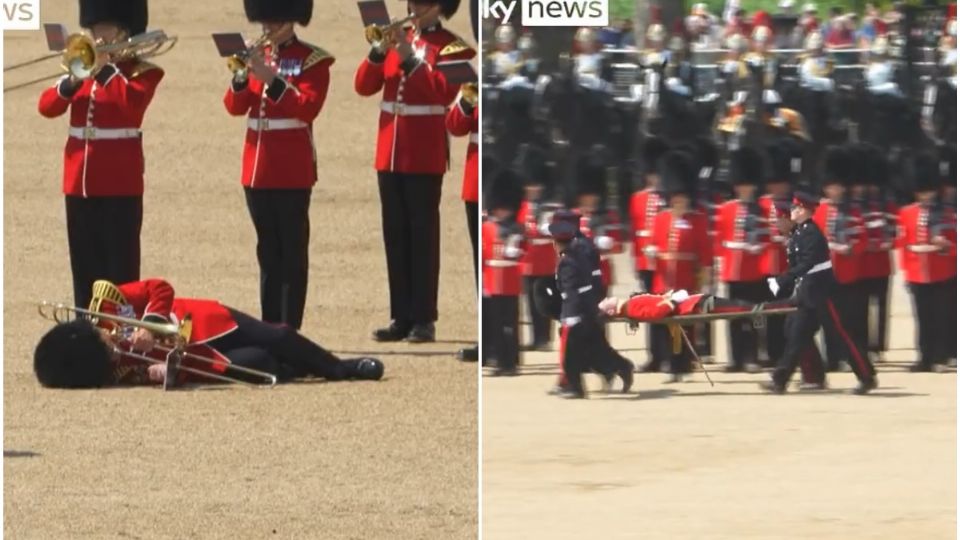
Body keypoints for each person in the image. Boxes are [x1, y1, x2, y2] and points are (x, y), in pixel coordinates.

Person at [355, 0, 476, 343]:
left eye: (423, 3)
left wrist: (409, 56)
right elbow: (364, 86)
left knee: (422, 236)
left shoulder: (455, 49)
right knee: (395, 235)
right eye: (413, 2)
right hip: (388, 149)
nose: (416, 8)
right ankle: (401, 316)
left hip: (423, 152)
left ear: (440, 7)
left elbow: (441, 92)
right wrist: (379, 52)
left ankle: (424, 317)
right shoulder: (397, 37)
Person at [38, 0, 164, 309]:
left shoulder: (142, 73)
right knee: (84, 270)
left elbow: (129, 106)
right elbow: (46, 107)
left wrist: (105, 67)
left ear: (123, 30)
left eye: (103, 29)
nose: (96, 36)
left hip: (119, 184)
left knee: (120, 274)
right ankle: (87, 336)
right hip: (78, 182)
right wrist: (71, 81)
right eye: (93, 29)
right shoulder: (82, 67)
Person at [34, 279, 384, 388]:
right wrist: (163, 373)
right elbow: (161, 372)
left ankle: (341, 369)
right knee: (264, 364)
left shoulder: (107, 303)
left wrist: (152, 326)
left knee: (278, 336)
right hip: (200, 356)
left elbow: (158, 287)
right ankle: (304, 368)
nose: (113, 350)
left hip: (204, 320)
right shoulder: (115, 369)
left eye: (104, 345)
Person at [223, 0, 333, 331]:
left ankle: (290, 327)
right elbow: (233, 107)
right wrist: (241, 79)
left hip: (290, 168)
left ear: (292, 20)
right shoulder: (260, 56)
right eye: (264, 20)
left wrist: (271, 79)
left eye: (274, 21)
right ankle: (269, 325)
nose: (267, 27)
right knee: (267, 251)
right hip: (256, 167)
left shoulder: (313, 60)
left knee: (291, 253)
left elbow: (307, 108)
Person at [759, 187, 877, 395]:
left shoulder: (811, 233)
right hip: (809, 293)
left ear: (803, 210)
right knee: (796, 335)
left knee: (841, 337)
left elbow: (807, 263)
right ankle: (780, 379)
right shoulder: (800, 233)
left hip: (824, 293)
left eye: (795, 207)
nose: (792, 210)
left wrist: (784, 279)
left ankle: (866, 376)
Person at [547, 211, 633, 399]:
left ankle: (573, 383)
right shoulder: (574, 244)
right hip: (579, 302)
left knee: (580, 345)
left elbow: (587, 279)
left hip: (584, 302)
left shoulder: (580, 247)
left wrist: (587, 305)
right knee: (590, 345)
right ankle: (614, 368)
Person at [648, 151, 712, 381]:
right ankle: (672, 363)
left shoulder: (697, 219)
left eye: (682, 198)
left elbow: (705, 253)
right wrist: (652, 252)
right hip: (663, 280)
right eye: (675, 197)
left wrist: (702, 278)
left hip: (686, 279)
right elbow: (654, 244)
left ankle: (683, 364)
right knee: (667, 324)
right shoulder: (661, 218)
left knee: (685, 325)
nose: (679, 201)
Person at [896, 152, 957, 372]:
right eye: (921, 191)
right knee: (921, 318)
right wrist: (906, 273)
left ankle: (940, 357)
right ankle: (924, 357)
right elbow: (903, 245)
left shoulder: (950, 213)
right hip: (917, 273)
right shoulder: (906, 213)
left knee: (941, 317)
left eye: (928, 190)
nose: (925, 196)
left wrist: (946, 246)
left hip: (942, 272)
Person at [812, 146, 868, 371]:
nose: (833, 190)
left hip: (847, 271)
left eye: (837, 186)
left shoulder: (853, 210)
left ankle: (848, 357)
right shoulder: (818, 210)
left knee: (847, 320)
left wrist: (851, 248)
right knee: (827, 319)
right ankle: (832, 358)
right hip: (824, 272)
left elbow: (862, 237)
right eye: (830, 187)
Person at [715, 147, 769, 373]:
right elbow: (719, 240)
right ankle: (736, 358)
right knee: (734, 315)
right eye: (741, 185)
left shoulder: (763, 208)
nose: (745, 188)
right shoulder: (726, 209)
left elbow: (769, 236)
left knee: (754, 315)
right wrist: (728, 250)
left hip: (755, 270)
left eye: (748, 185)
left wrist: (758, 246)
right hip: (733, 271)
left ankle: (752, 356)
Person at [445, 76, 479, 361]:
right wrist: (468, 100)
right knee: (480, 266)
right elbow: (455, 126)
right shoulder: (474, 85)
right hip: (476, 182)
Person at [481, 169, 525, 375]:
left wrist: (515, 250)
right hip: (493, 281)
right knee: (497, 325)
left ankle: (511, 361)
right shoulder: (487, 228)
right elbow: (483, 255)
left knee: (511, 325)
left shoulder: (517, 228)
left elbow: (523, 251)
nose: (501, 212)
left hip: (510, 283)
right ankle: (500, 361)